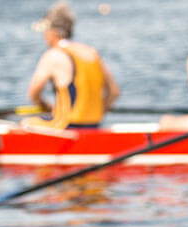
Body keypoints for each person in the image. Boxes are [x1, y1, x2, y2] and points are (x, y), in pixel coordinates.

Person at [23, 1, 120, 130]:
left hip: (66, 125)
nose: (44, 36)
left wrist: (46, 106)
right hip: (95, 125)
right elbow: (114, 92)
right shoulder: (92, 52)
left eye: (45, 31)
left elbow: (33, 94)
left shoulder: (53, 55)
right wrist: (99, 112)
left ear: (54, 31)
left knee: (25, 123)